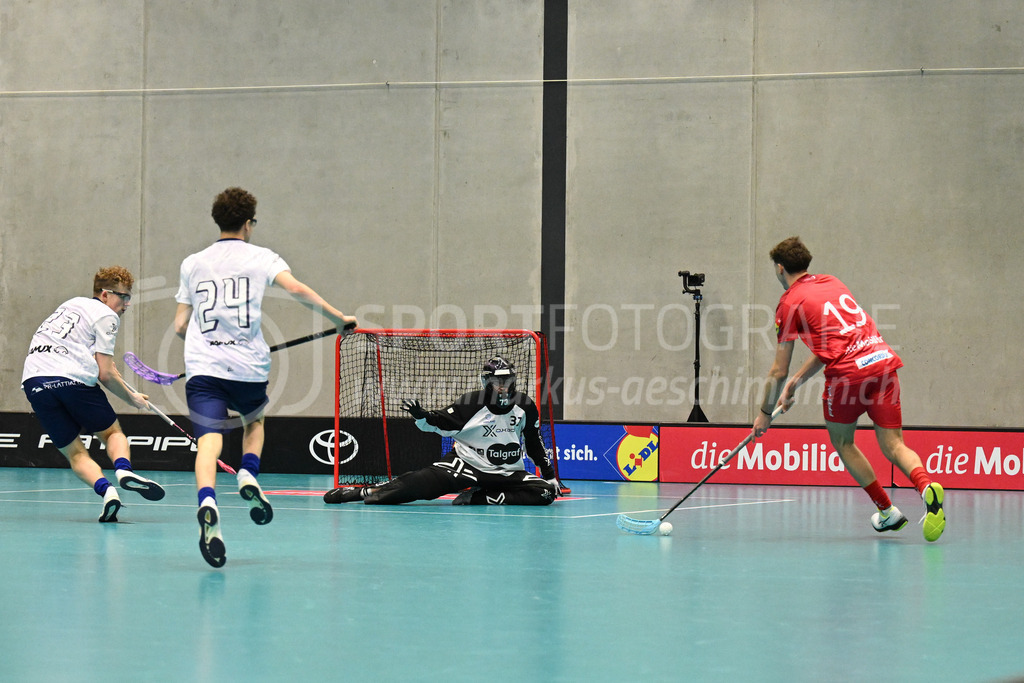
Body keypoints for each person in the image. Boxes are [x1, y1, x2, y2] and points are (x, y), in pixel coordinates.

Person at [174, 186, 357, 568]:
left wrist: (205, 342)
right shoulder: (262, 258)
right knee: (253, 423)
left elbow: (179, 326)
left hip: (203, 368)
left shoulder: (192, 263)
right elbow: (298, 290)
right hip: (247, 369)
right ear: (248, 222)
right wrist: (339, 319)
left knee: (209, 439)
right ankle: (248, 473)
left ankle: (206, 499)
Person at [753, 236, 945, 542]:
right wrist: (796, 383)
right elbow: (835, 343)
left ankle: (886, 511)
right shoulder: (831, 282)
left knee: (843, 442)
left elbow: (778, 369)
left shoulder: (789, 303)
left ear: (779, 269)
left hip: (848, 377)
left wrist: (764, 412)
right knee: (894, 445)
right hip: (882, 363)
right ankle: (925, 486)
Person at [21, 266, 166, 522]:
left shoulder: (71, 305)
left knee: (75, 453)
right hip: (72, 379)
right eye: (123, 296)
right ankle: (123, 471)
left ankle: (108, 492)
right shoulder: (107, 316)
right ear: (105, 294)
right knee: (112, 433)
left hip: (35, 382)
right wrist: (132, 399)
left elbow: (97, 360)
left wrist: (116, 376)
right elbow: (105, 375)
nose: (126, 304)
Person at [324, 356, 561, 506]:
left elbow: (533, 441)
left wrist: (549, 474)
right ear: (486, 383)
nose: (504, 388)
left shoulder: (526, 406)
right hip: (466, 466)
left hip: (507, 473)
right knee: (415, 484)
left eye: (508, 382)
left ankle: (480, 497)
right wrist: (422, 416)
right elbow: (439, 422)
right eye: (498, 383)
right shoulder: (470, 404)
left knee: (545, 493)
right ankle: (362, 493)